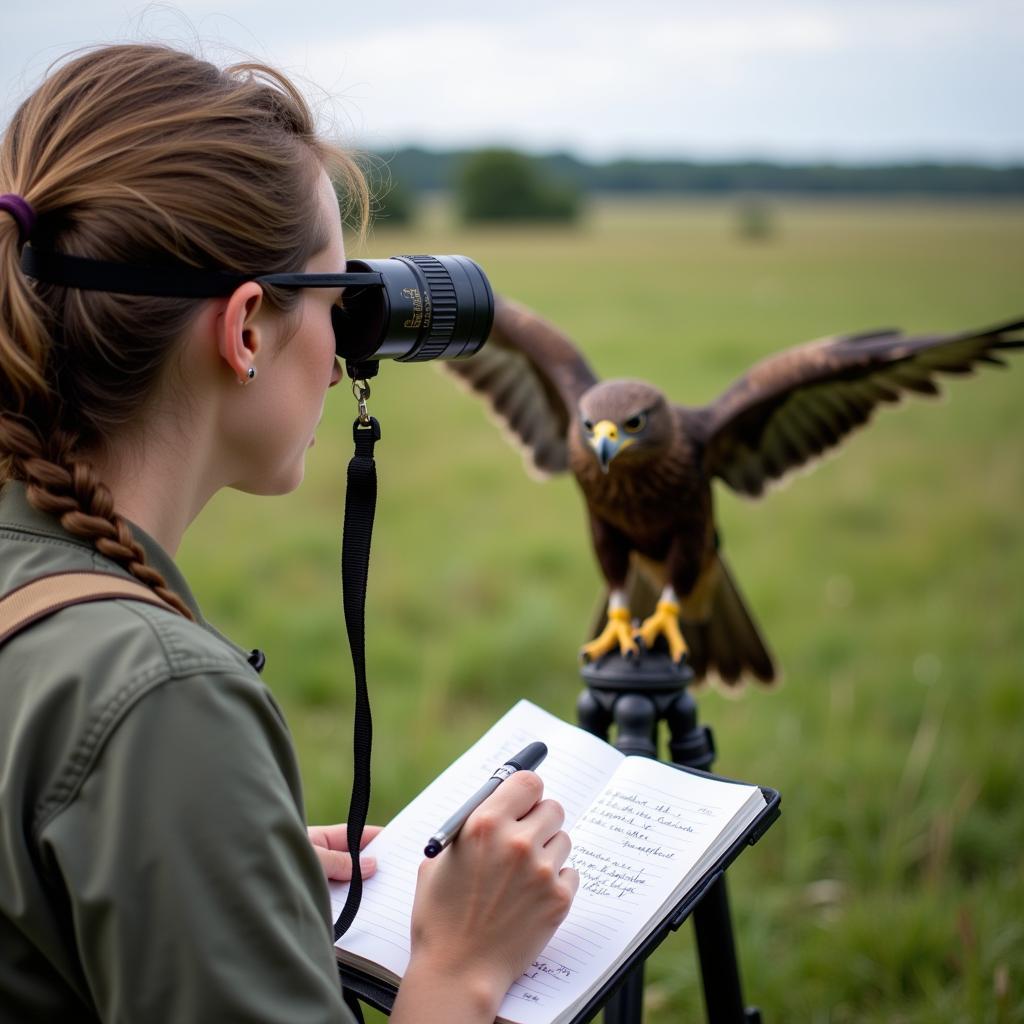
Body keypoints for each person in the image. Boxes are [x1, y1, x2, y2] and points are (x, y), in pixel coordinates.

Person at [0, 43, 578, 1023]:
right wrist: (460, 971)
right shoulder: (156, 705)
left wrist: (217, 867)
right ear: (247, 331)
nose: (346, 339)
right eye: (333, 296)